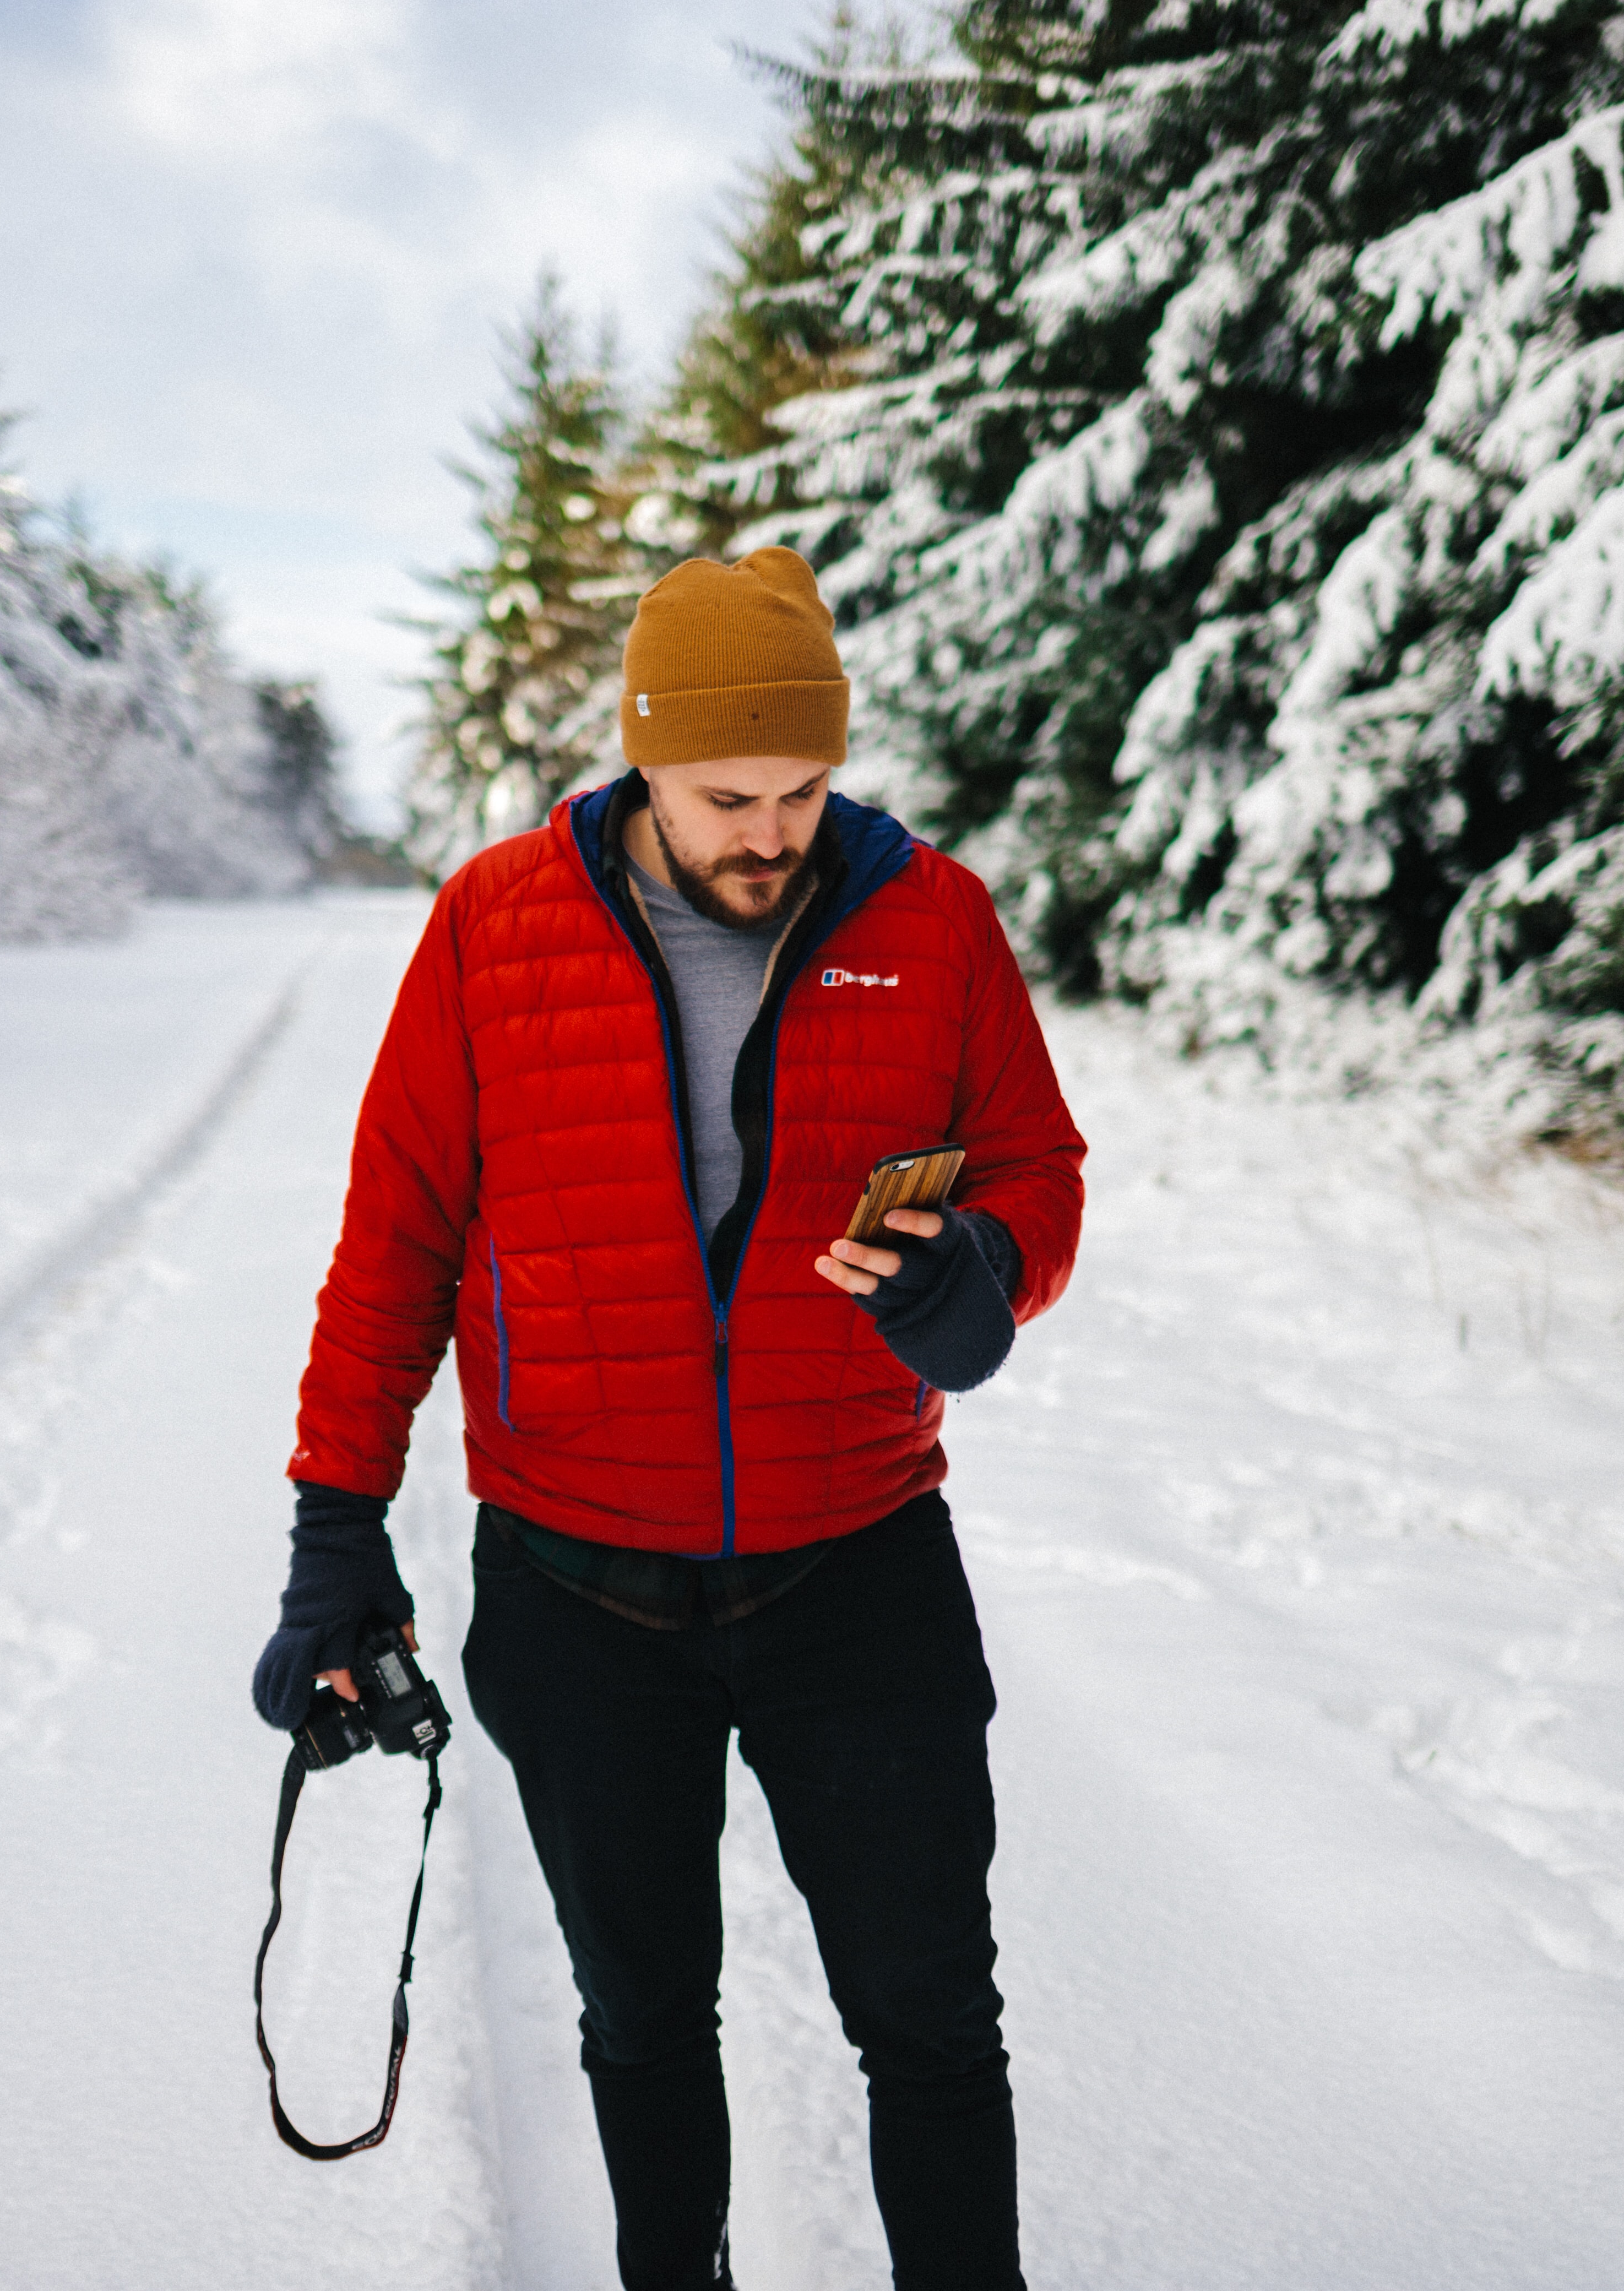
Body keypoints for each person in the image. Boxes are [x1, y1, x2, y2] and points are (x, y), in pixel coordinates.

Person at [254, 545, 1085, 2290]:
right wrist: (338, 1529)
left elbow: (1038, 1174)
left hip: (858, 1568)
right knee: (642, 2016)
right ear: (642, 760)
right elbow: (395, 1242)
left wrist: (980, 1275)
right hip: (576, 1593)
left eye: (801, 788)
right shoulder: (492, 926)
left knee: (931, 2014)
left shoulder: (931, 921)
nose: (769, 832)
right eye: (726, 796)